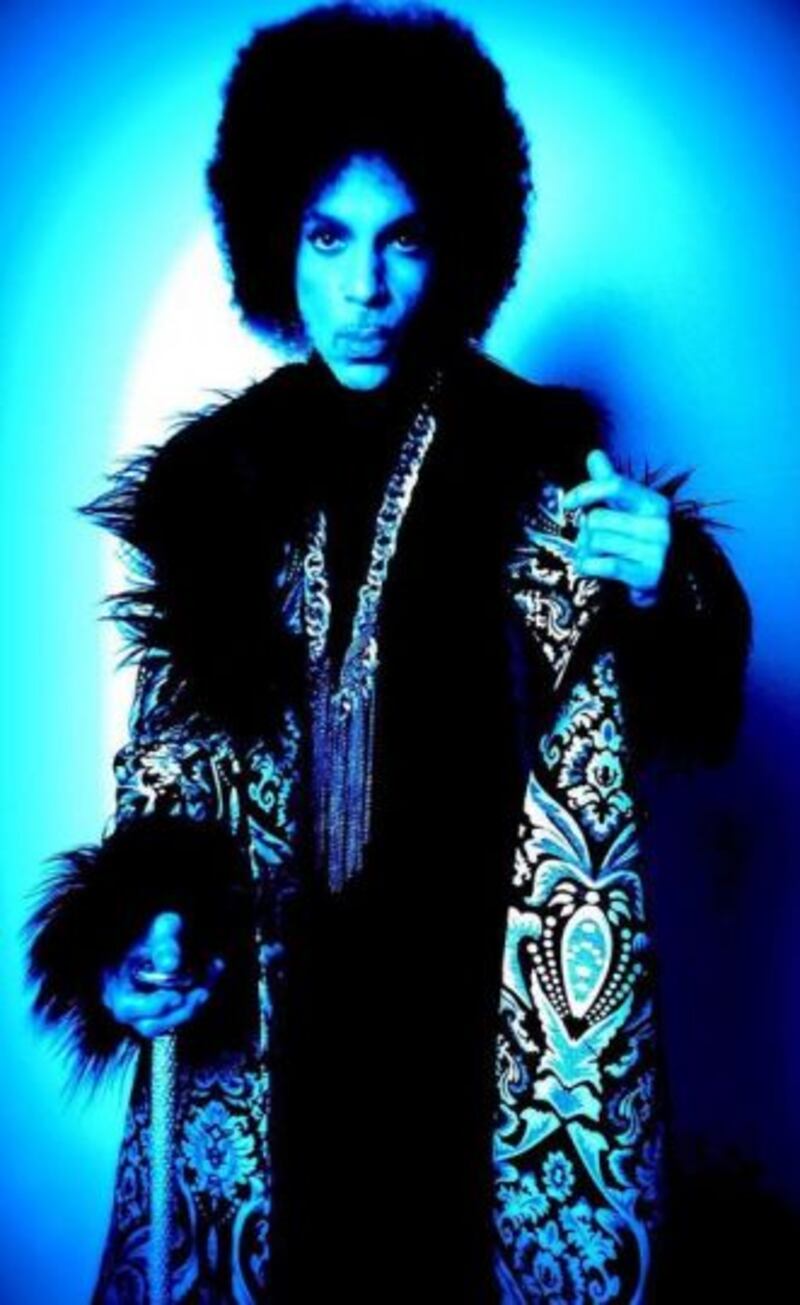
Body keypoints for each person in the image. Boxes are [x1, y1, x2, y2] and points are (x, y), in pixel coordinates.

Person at [25, 4, 751, 1301]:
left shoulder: (541, 460)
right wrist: (138, 935)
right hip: (280, 1057)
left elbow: (670, 724)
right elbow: (172, 788)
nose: (364, 289)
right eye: (329, 238)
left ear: (457, 241)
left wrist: (670, 582)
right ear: (275, 242)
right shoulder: (215, 486)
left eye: (401, 239)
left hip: (486, 1053)